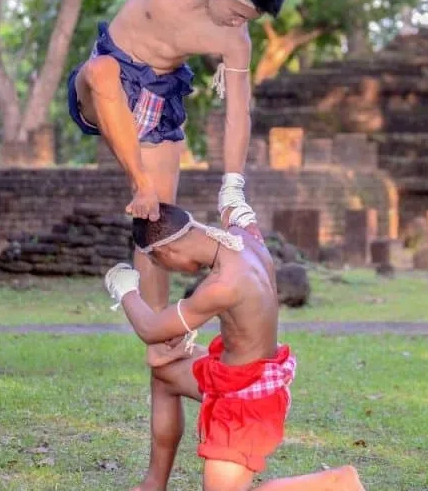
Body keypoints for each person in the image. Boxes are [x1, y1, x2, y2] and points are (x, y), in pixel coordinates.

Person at [69, 0, 282, 487]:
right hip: (107, 83)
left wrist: (233, 187)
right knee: (101, 70)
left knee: (161, 305)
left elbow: (238, 113)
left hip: (160, 102)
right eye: (237, 11)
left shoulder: (234, 39)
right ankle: (141, 181)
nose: (238, 25)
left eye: (249, 20)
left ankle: (154, 479)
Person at [103, 203, 366, 491]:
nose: (165, 269)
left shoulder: (223, 284)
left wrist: (125, 289)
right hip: (235, 373)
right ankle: (153, 485)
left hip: (247, 400)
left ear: (166, 252)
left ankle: (336, 482)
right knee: (165, 376)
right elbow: (235, 208)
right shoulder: (244, 238)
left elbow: (151, 329)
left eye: (158, 262)